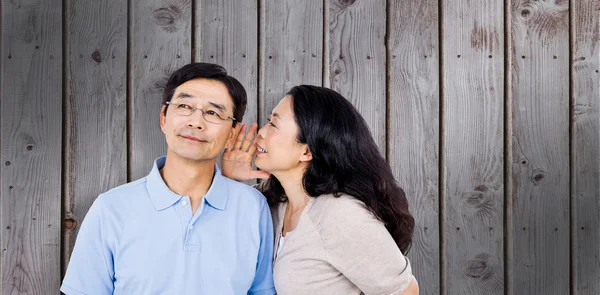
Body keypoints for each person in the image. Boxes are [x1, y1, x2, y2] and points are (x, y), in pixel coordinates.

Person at [61, 63, 276, 295]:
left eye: (213, 112)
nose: (196, 122)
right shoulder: (111, 208)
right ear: (164, 118)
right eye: (184, 106)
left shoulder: (253, 207)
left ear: (232, 133)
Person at [222, 85, 419, 294]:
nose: (261, 132)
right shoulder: (273, 199)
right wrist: (231, 180)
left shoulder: (339, 215)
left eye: (273, 124)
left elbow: (406, 291)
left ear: (306, 151)